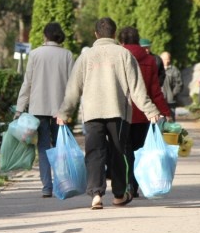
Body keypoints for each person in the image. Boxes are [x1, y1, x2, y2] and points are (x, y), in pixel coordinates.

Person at [56, 17, 163, 210]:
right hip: (117, 113)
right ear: (114, 34)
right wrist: (150, 110)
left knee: (94, 153)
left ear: (96, 34)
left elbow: (73, 89)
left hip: (91, 113)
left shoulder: (86, 56)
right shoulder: (124, 54)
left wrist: (64, 112)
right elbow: (137, 88)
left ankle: (96, 194)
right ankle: (119, 195)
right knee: (118, 152)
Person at [15, 23, 74, 197]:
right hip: (60, 108)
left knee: (43, 147)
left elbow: (28, 83)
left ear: (45, 36)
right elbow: (72, 84)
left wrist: (19, 108)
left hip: (38, 107)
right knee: (60, 147)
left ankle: (46, 187)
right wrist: (71, 108)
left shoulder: (35, 54)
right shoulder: (67, 55)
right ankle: (62, 184)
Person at [119, 27, 171, 197]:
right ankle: (137, 184)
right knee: (141, 150)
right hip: (144, 114)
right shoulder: (149, 60)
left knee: (125, 151)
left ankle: (128, 184)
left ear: (122, 42)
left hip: (123, 113)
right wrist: (164, 111)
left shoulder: (119, 57)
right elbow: (156, 90)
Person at [160, 51, 183, 118]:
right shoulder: (157, 68)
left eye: (168, 59)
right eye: (165, 59)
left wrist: (173, 94)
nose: (167, 61)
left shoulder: (174, 70)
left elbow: (179, 84)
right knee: (160, 121)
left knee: (171, 120)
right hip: (160, 100)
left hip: (171, 101)